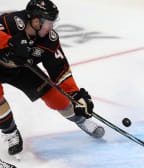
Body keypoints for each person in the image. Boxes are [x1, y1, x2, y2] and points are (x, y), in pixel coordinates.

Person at [0, 0, 104, 157]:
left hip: (22, 70)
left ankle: (80, 120)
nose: (51, 27)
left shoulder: (50, 39)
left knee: (57, 98)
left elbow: (60, 70)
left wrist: (75, 95)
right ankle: (10, 131)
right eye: (48, 23)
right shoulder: (11, 22)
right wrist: (7, 44)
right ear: (35, 20)